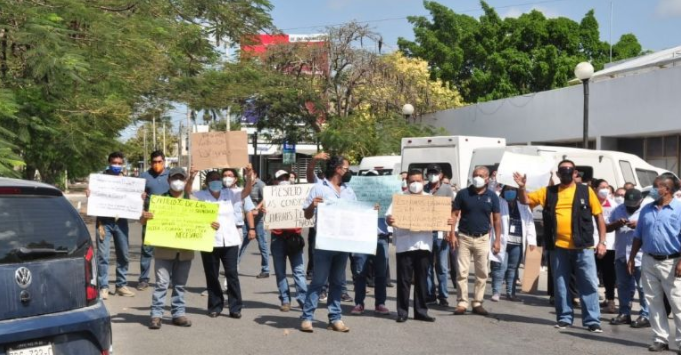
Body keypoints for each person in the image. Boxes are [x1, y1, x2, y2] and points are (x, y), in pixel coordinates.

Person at [514, 159, 607, 333]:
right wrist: (521, 187)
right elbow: (525, 200)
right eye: (562, 170)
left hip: (583, 247)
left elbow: (599, 217)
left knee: (588, 284)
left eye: (569, 170)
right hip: (558, 247)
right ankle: (564, 318)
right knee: (561, 284)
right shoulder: (549, 192)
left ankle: (592, 321)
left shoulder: (586, 191)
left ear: (575, 173)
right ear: (558, 174)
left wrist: (602, 242)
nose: (566, 173)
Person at [142, 167, 208, 329]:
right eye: (174, 178)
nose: (177, 181)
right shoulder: (159, 201)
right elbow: (144, 222)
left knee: (179, 284)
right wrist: (144, 217)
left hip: (185, 251)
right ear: (168, 180)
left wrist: (212, 224)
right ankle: (156, 315)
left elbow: (204, 223)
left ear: (185, 181)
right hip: (164, 250)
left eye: (180, 178)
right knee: (161, 284)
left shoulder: (194, 202)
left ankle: (178, 314)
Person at [300, 155, 356, 333]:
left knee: (338, 282)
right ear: (337, 169)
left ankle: (335, 317)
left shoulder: (348, 190)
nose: (348, 172)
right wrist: (312, 206)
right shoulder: (319, 188)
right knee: (318, 281)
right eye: (346, 168)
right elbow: (307, 215)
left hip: (343, 242)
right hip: (324, 242)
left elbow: (357, 212)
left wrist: (371, 211)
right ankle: (307, 318)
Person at [191, 166, 253, 319]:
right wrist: (191, 177)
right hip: (209, 240)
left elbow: (246, 192)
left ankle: (235, 307)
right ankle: (215, 305)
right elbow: (187, 195)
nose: (215, 181)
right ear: (206, 182)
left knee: (232, 274)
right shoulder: (201, 195)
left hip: (230, 240)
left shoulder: (230, 193)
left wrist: (249, 176)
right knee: (211, 274)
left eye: (217, 179)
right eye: (212, 179)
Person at [629, 173, 681, 352]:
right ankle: (660, 338)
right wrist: (631, 257)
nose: (652, 189)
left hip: (672, 262)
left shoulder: (679, 209)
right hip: (649, 260)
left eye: (655, 185)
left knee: (677, 302)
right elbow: (638, 235)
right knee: (653, 301)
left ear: (666, 189)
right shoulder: (646, 209)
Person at [449, 166, 501, 316]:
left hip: (483, 238)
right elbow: (454, 214)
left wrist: (498, 240)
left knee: (482, 273)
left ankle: (478, 302)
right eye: (475, 175)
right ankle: (462, 302)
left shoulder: (492, 196)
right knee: (462, 272)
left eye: (481, 175)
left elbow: (497, 220)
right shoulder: (463, 194)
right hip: (464, 237)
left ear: (487, 178)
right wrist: (451, 234)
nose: (477, 177)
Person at [387, 169, 438, 323]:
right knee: (404, 280)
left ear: (423, 181)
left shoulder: (431, 199)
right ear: (407, 183)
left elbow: (439, 218)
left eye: (418, 181)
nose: (415, 184)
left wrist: (446, 222)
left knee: (422, 280)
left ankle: (421, 311)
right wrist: (389, 220)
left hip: (424, 244)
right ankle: (402, 312)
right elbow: (389, 217)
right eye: (412, 181)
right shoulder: (400, 199)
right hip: (405, 245)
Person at [88, 152, 135, 299]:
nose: (117, 165)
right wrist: (89, 194)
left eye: (120, 163)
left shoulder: (128, 182)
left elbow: (133, 199)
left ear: (123, 164)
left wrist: (139, 198)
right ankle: (104, 287)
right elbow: (93, 197)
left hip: (121, 222)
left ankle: (121, 285)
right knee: (103, 256)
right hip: (104, 223)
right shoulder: (99, 180)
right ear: (109, 162)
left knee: (124, 254)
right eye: (114, 162)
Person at [607, 188, 650, 328]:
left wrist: (639, 225)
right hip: (621, 254)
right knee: (623, 286)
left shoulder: (647, 210)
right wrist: (617, 224)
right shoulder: (618, 209)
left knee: (643, 288)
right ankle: (624, 313)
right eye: (628, 203)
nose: (630, 206)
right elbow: (606, 227)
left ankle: (646, 315)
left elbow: (654, 228)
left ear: (640, 200)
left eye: (633, 203)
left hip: (640, 255)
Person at [351, 170, 390, 316]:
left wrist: (384, 212)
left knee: (381, 274)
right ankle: (359, 303)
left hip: (380, 238)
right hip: (362, 237)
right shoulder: (356, 197)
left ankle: (380, 303)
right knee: (360, 272)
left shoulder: (386, 196)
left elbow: (393, 217)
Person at [269, 170, 308, 312]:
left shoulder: (299, 195)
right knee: (280, 272)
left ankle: (303, 300)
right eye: (280, 179)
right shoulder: (270, 196)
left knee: (299, 271)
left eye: (286, 178)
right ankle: (285, 300)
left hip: (294, 238)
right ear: (274, 181)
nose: (283, 180)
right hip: (277, 238)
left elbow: (307, 212)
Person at [490, 185, 537, 302]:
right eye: (507, 190)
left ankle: (511, 293)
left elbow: (529, 222)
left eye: (512, 190)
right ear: (503, 191)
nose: (510, 192)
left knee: (513, 268)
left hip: (517, 242)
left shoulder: (522, 205)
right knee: (500, 267)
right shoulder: (498, 202)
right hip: (501, 240)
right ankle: (496, 292)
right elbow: (494, 221)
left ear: (516, 192)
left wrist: (532, 241)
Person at [138, 150, 170, 291]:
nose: (157, 164)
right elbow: (136, 198)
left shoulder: (171, 176)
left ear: (164, 161)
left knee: (169, 249)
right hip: (150, 219)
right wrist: (141, 201)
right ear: (150, 162)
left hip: (168, 219)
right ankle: (144, 279)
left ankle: (170, 279)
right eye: (154, 162)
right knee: (147, 250)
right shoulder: (144, 176)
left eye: (159, 162)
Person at [423, 164, 454, 307]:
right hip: (425, 232)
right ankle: (430, 295)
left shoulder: (447, 190)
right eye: (430, 173)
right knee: (427, 265)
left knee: (442, 266)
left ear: (441, 175)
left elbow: (453, 211)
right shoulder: (423, 189)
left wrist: (450, 230)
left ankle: (443, 295)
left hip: (441, 232)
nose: (432, 175)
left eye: (435, 172)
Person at [239, 171, 269, 278]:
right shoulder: (245, 185)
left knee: (262, 245)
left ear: (255, 175)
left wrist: (257, 208)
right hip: (247, 218)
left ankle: (266, 269)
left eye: (250, 174)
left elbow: (266, 198)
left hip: (259, 219)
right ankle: (234, 266)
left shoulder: (260, 184)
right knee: (241, 243)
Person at [594, 179, 618, 314]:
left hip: (609, 244)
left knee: (608, 274)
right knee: (592, 273)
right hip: (592, 243)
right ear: (596, 189)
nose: (605, 190)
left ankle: (610, 300)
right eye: (602, 187)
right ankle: (591, 298)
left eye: (607, 187)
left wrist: (604, 242)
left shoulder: (613, 205)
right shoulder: (591, 203)